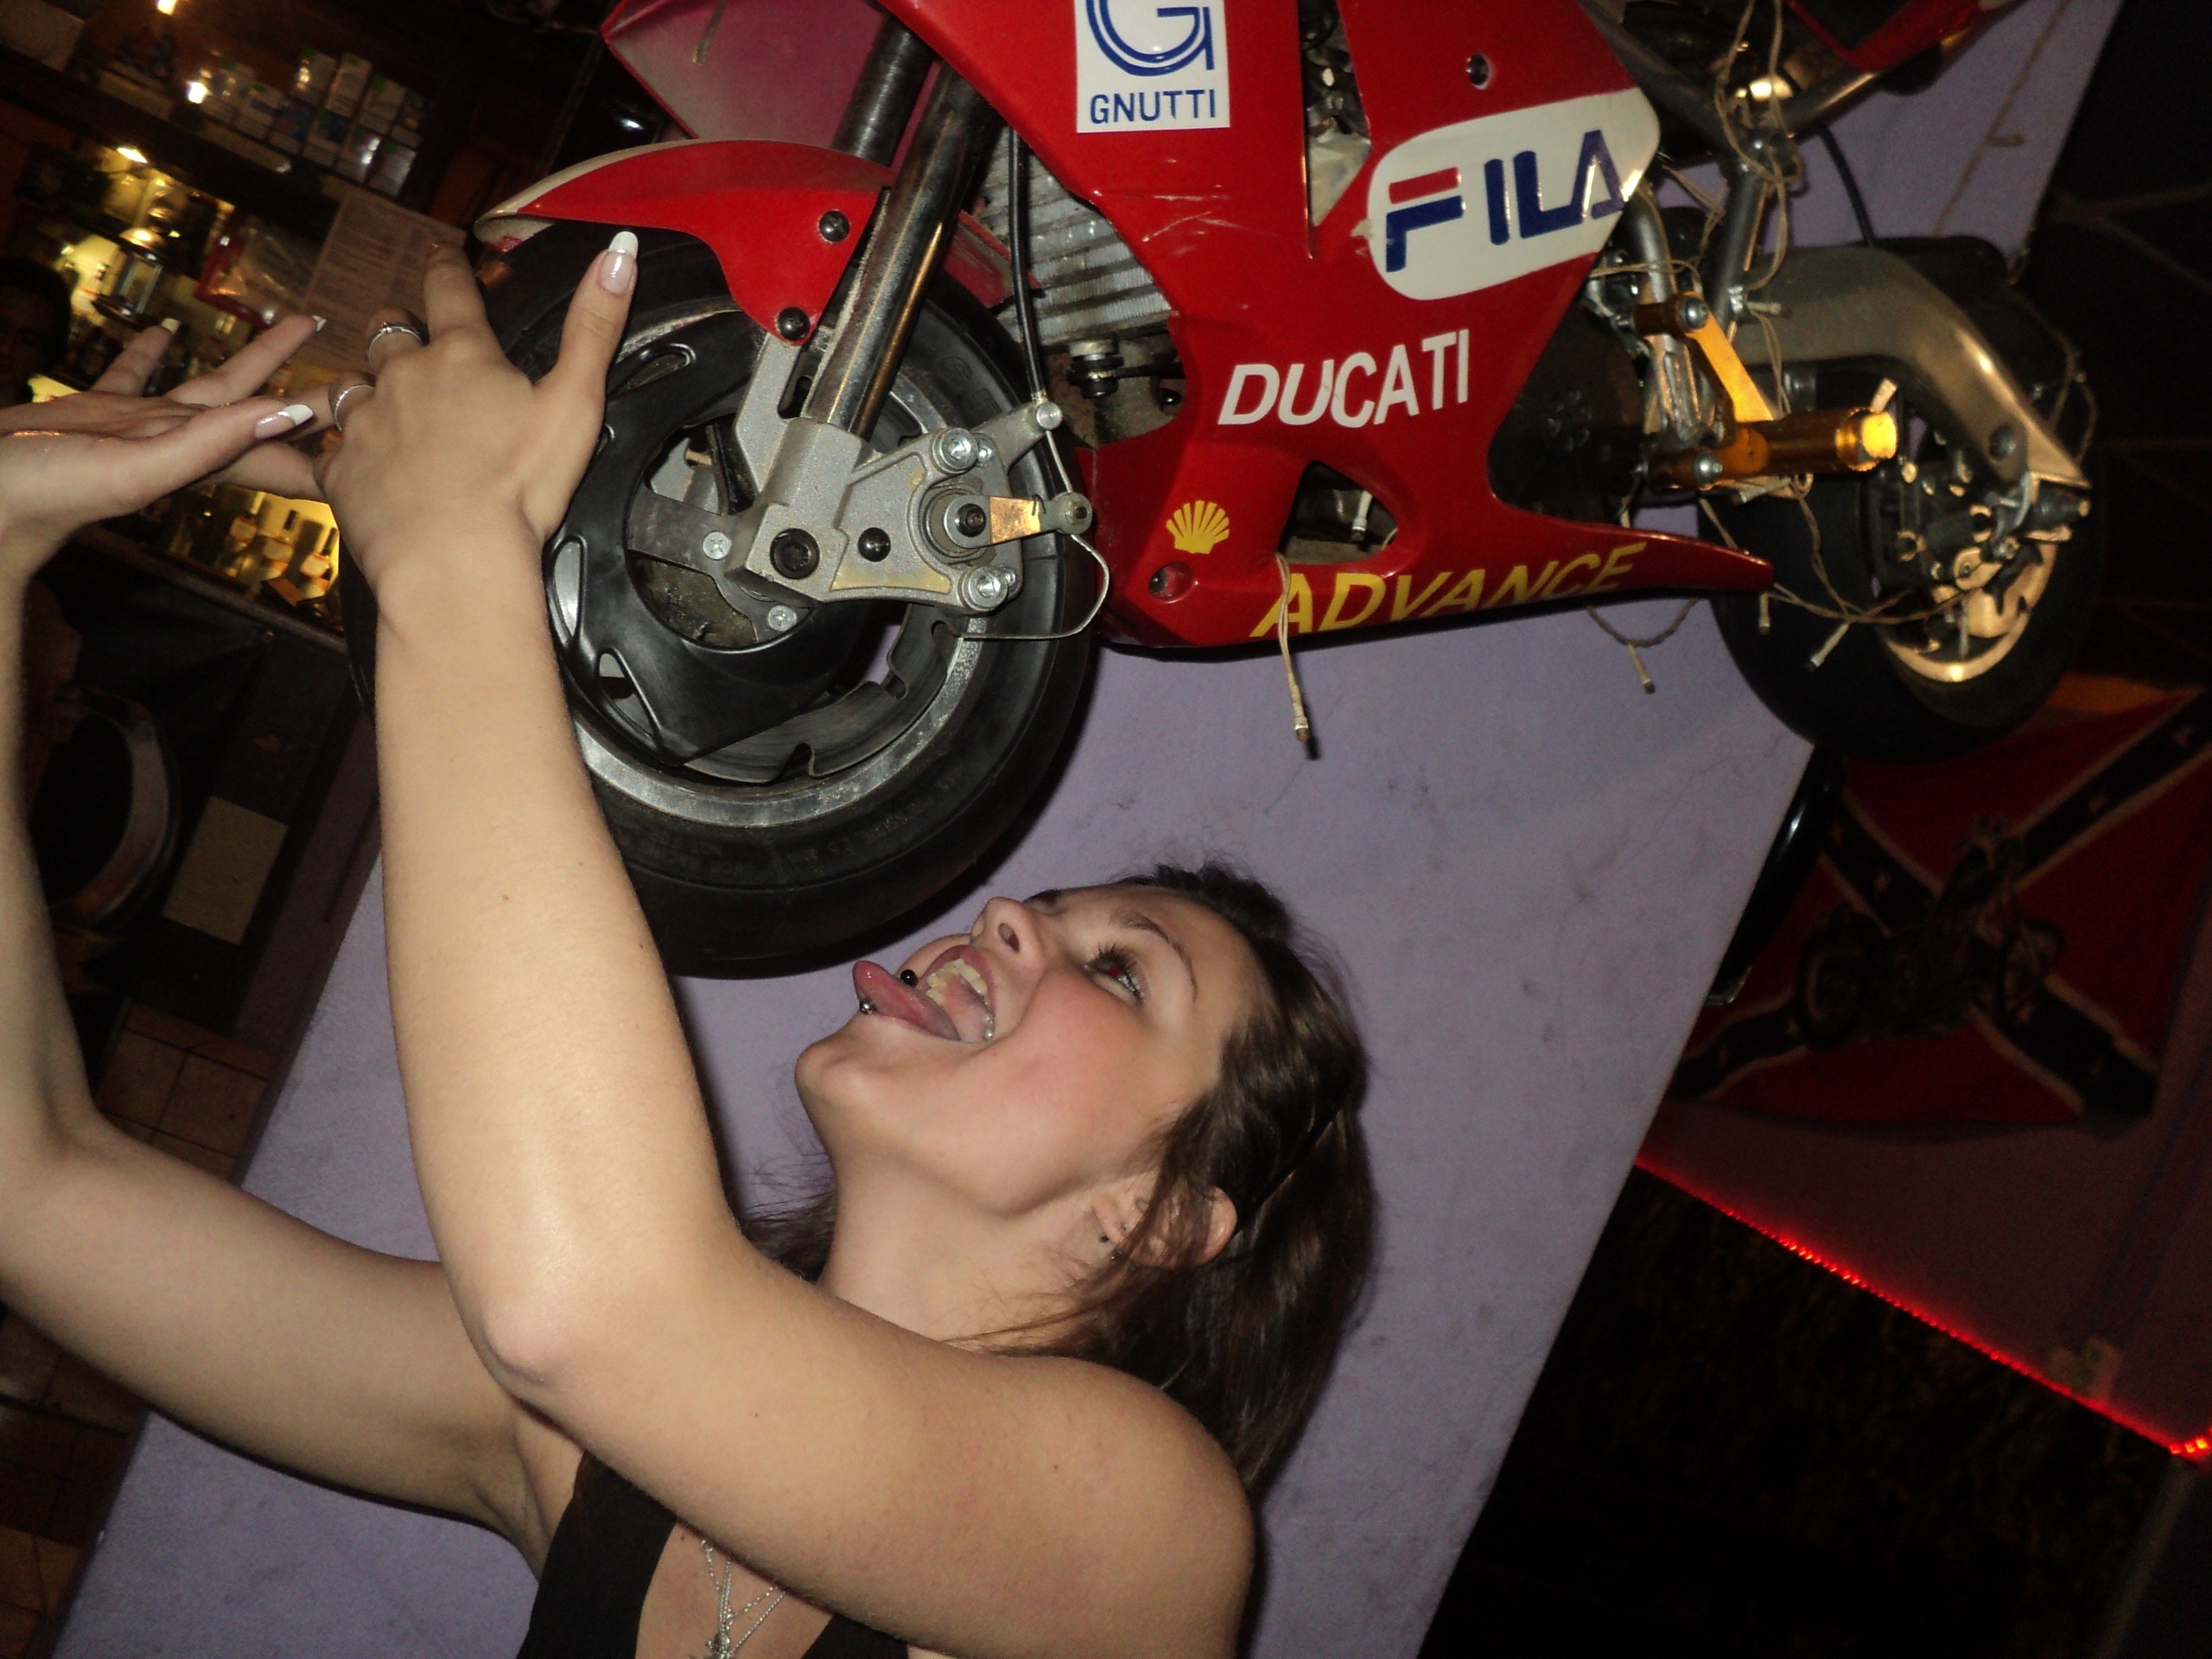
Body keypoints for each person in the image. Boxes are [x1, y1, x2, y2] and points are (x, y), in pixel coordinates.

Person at [0, 236, 1375, 1658]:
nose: (1010, 916)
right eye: (1063, 914)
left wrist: (457, 549)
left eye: (1121, 971)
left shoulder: (1147, 1534)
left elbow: (593, 1311)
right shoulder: (578, 1436)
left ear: (1160, 1219)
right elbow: (34, 1189)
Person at [0, 257, 76, 410]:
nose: (6, 349)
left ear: (44, 355)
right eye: (1, 329)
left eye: (27, 341)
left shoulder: (35, 424)